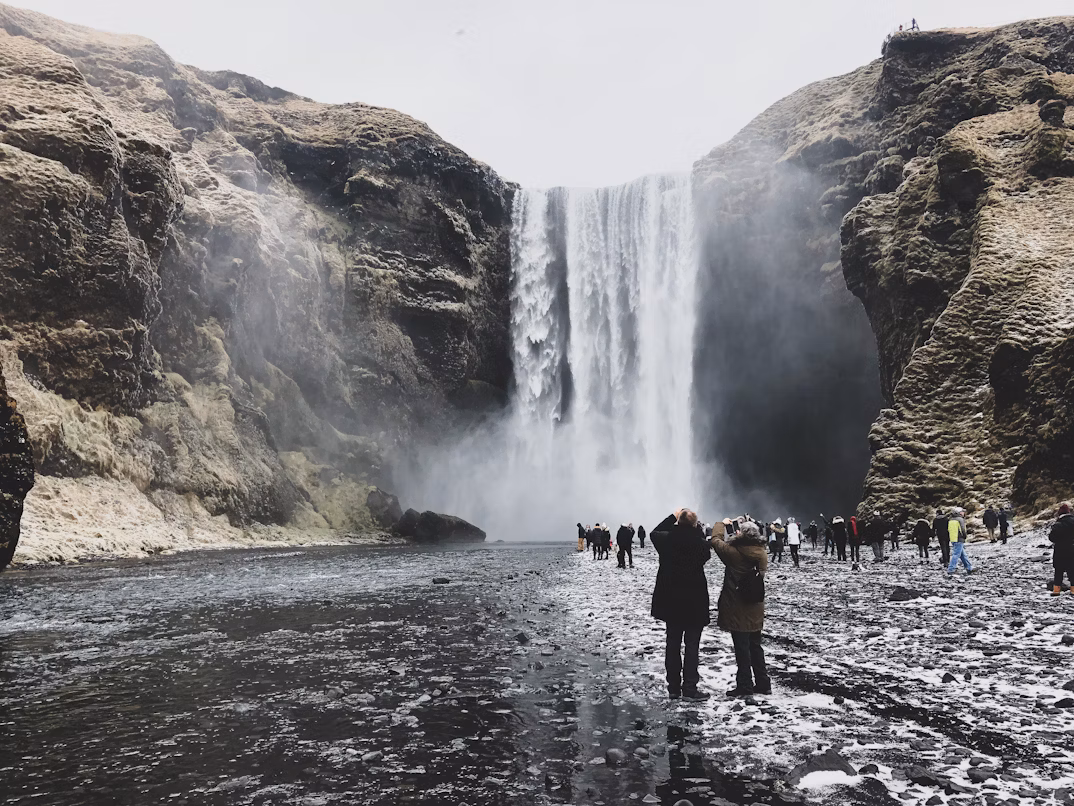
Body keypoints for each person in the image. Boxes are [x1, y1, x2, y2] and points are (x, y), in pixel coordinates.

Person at [650, 509, 712, 700]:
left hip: (671, 600)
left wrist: (672, 518)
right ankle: (690, 689)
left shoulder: (666, 540)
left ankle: (674, 689)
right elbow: (705, 549)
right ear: (695, 525)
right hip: (694, 600)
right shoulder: (700, 544)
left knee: (672, 644)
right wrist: (695, 527)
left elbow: (654, 533)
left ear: (678, 522)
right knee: (692, 647)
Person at [710, 521, 770, 697]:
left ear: (741, 534)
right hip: (755, 605)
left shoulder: (734, 554)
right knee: (756, 647)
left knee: (742, 649)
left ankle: (745, 685)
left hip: (737, 605)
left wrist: (721, 523)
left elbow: (715, 540)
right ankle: (763, 683)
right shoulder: (761, 552)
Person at [1049, 503, 1074, 596]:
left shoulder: (1058, 524)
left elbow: (1051, 538)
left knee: (1058, 571)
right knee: (1072, 570)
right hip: (1072, 549)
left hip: (1060, 550)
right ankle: (1073, 590)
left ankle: (1056, 590)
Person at [946, 508, 973, 575]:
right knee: (956, 554)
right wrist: (965, 536)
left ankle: (969, 567)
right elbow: (963, 529)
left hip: (953, 539)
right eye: (962, 512)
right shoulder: (960, 519)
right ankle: (951, 569)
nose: (964, 513)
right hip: (959, 538)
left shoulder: (950, 519)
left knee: (963, 555)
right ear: (959, 512)